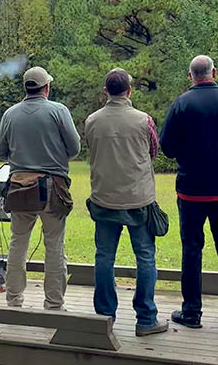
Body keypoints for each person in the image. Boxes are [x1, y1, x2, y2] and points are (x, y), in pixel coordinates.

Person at [159, 55, 218, 329]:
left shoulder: (181, 104)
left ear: (190, 76)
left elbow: (167, 147)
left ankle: (191, 311)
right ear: (214, 72)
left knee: (192, 249)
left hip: (191, 190)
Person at [84, 68, 168, 337]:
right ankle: (146, 318)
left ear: (106, 91)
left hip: (104, 198)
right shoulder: (145, 120)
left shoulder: (91, 121)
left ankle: (104, 317)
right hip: (138, 199)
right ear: (129, 91)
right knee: (145, 257)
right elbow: (153, 151)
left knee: (104, 257)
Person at [0, 66, 80, 310]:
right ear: (47, 87)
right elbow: (74, 148)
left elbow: (0, 152)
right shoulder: (58, 110)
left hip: (19, 187)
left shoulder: (10, 114)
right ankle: (53, 302)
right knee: (54, 245)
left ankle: (14, 300)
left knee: (17, 243)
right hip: (53, 187)